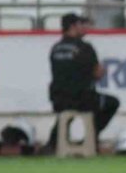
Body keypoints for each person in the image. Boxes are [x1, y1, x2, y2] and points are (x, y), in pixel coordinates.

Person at [46, 14, 120, 152]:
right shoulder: (85, 47)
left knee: (65, 115)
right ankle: (91, 137)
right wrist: (102, 71)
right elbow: (97, 73)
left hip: (58, 99)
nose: (84, 27)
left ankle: (53, 143)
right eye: (81, 24)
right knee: (112, 103)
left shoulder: (55, 48)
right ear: (73, 26)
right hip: (83, 99)